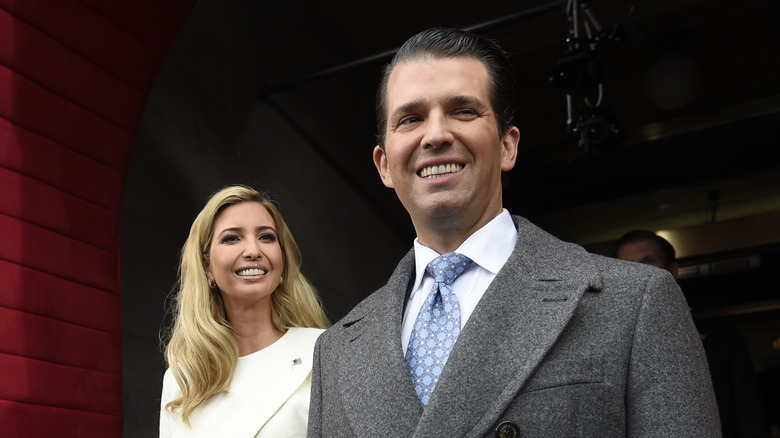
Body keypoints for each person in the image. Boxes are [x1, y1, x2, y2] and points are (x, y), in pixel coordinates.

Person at [308, 28, 720, 437]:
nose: (435, 135)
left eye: (463, 111)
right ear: (383, 164)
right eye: (411, 118)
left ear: (508, 146)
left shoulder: (636, 301)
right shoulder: (335, 351)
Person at [160, 185, 329, 437]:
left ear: (282, 260)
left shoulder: (325, 351)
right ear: (207, 267)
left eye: (266, 237)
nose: (253, 251)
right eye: (232, 238)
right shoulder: (182, 378)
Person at [617, 229, 771, 438]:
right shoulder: (612, 347)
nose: (637, 274)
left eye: (648, 263)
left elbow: (750, 416)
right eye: (627, 267)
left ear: (671, 271)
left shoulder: (723, 340)